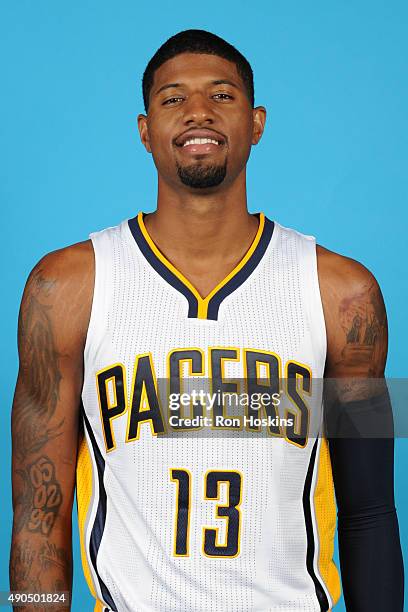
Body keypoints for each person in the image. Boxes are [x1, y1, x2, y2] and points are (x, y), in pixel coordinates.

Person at [9, 29, 403, 611]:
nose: (198, 112)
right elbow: (39, 513)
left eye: (222, 96)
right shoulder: (67, 287)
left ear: (257, 122)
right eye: (172, 99)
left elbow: (370, 511)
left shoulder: (343, 294)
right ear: (145, 131)